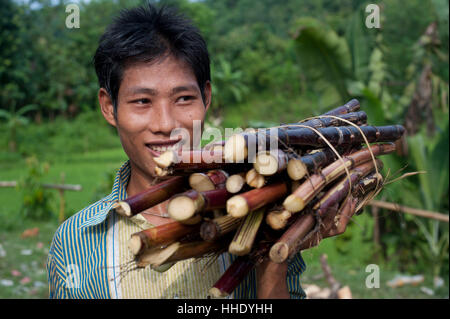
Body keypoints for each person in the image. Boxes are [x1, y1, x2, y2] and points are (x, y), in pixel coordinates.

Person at [47, 2, 348, 299]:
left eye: (183, 99)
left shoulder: (263, 208)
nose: (165, 124)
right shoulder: (74, 242)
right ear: (109, 107)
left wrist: (272, 259)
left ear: (206, 97)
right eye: (142, 102)